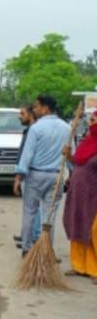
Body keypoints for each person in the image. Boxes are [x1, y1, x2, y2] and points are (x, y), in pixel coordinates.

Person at [15, 95, 70, 257]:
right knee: (49, 216)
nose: (35, 110)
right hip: (56, 176)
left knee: (29, 212)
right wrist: (71, 173)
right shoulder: (66, 127)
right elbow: (70, 153)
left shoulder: (36, 128)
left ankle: (26, 248)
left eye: (36, 107)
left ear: (45, 108)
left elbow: (27, 155)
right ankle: (46, 249)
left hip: (35, 175)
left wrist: (19, 177)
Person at [63, 110, 97, 284]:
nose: (91, 123)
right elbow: (77, 162)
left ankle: (94, 269)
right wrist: (68, 155)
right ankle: (79, 266)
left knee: (94, 231)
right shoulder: (88, 142)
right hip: (78, 193)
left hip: (94, 194)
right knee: (77, 225)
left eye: (94, 120)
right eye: (90, 119)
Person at [13, 105, 42, 247]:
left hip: (29, 173)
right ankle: (27, 235)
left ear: (31, 114)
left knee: (32, 208)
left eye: (22, 113)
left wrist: (20, 174)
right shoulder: (29, 130)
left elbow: (28, 154)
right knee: (29, 208)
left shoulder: (34, 131)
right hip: (26, 171)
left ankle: (33, 237)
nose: (20, 116)